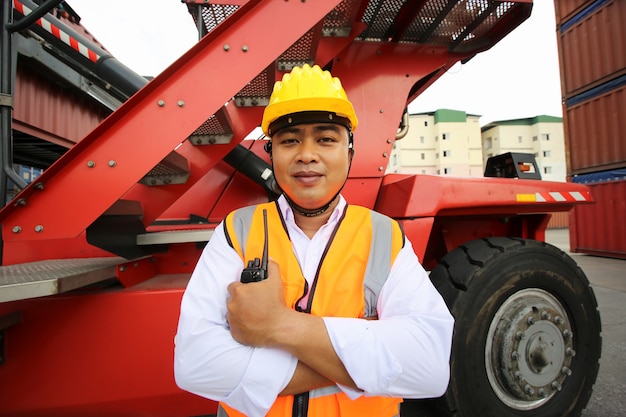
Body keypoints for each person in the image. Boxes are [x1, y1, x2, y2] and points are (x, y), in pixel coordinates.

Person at [174, 64, 454, 417]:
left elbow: (428, 368)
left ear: (349, 153)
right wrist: (363, 355)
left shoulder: (384, 236)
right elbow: (195, 365)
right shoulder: (237, 232)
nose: (307, 154)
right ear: (270, 153)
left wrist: (276, 325)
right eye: (290, 140)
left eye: (326, 138)